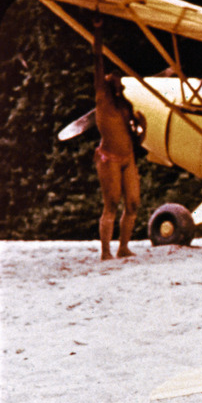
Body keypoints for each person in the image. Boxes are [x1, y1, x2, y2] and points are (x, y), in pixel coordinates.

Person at [92, 15, 143, 260]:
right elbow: (97, 59)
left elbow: (135, 138)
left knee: (133, 204)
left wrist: (141, 127)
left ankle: (123, 247)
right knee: (111, 204)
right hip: (109, 158)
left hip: (127, 157)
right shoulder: (102, 98)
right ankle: (105, 251)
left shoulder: (124, 106)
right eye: (111, 77)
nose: (114, 78)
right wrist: (98, 31)